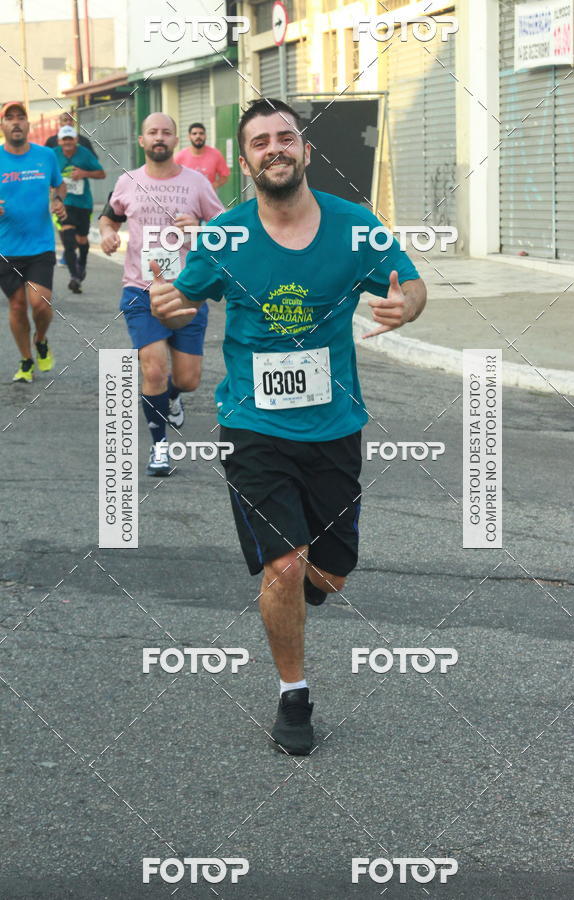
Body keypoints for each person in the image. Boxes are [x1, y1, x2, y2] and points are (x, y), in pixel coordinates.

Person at [149, 98, 427, 755]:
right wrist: (169, 304)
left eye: (285, 137)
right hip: (253, 427)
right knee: (285, 565)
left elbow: (412, 286)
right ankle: (293, 694)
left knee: (326, 575)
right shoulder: (226, 238)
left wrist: (405, 306)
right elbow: (183, 297)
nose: (274, 148)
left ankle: (307, 590)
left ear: (303, 150)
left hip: (333, 426)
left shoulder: (355, 227)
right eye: (259, 142)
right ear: (243, 162)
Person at [99, 112, 223, 476]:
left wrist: (201, 227)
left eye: (166, 132)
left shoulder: (197, 183)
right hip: (141, 291)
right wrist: (107, 233)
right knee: (153, 367)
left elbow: (226, 228)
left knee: (187, 380)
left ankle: (172, 397)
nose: (159, 138)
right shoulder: (128, 181)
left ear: (175, 141)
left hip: (188, 293)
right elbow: (110, 217)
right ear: (142, 140)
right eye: (152, 132)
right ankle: (159, 447)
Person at [0, 101, 66, 383]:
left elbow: (58, 184)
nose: (16, 122)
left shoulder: (46, 155)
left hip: (40, 244)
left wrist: (59, 199)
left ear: (28, 125)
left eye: (21, 117)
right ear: (2, 126)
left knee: (39, 303)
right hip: (6, 247)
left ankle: (41, 340)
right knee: (16, 306)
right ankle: (27, 361)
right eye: (9, 118)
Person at [52, 125, 105, 293]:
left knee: (82, 240)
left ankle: (82, 261)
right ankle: (74, 277)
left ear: (75, 140)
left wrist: (84, 173)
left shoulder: (84, 154)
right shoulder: (53, 154)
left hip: (83, 204)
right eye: (64, 139)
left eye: (70, 139)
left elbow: (101, 173)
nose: (67, 142)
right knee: (68, 241)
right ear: (59, 141)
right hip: (63, 203)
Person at [174, 122, 230, 189]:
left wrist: (213, 186)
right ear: (189, 137)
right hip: (187, 198)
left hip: (208, 198)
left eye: (201, 133)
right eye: (194, 134)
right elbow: (171, 177)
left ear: (205, 136)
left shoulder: (215, 154)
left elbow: (225, 176)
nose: (198, 136)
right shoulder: (180, 156)